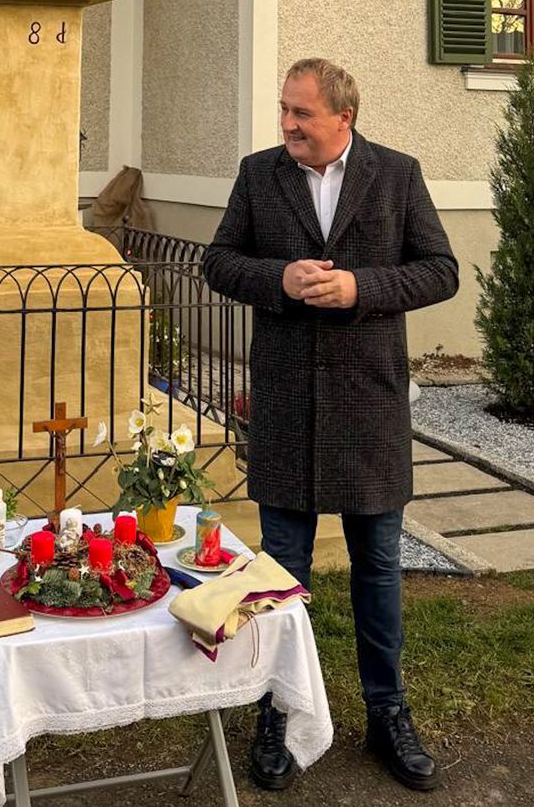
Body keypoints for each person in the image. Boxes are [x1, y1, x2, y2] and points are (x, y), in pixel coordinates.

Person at [203, 58, 459, 793]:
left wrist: (359, 287)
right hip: (286, 403)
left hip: (369, 404)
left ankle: (388, 713)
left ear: (342, 116)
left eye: (300, 113)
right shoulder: (259, 174)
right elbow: (220, 262)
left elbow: (440, 269)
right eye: (284, 110)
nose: (286, 125)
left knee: (377, 570)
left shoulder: (397, 174)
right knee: (279, 573)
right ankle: (278, 713)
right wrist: (277, 279)